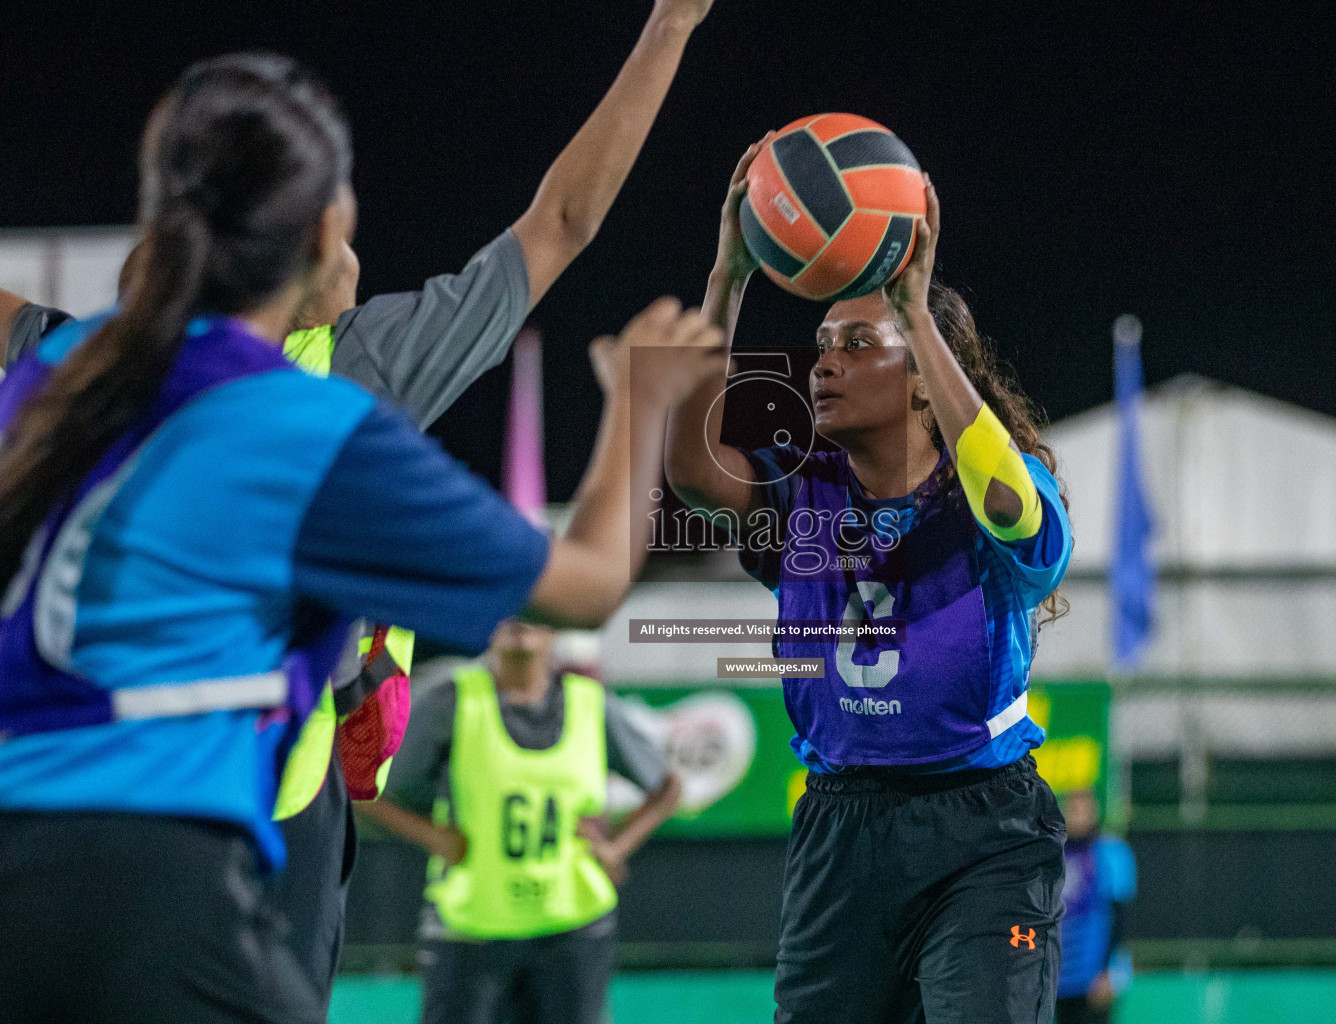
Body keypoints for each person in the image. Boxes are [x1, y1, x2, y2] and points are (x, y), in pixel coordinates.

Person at [0, 0, 721, 998]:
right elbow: (586, 584)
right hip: (183, 853)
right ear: (319, 230)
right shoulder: (326, 412)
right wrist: (644, 401)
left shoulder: (59, 358)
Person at [663, 141, 1074, 1023]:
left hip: (983, 831)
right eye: (821, 343)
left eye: (858, 343)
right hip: (840, 831)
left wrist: (917, 314)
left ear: (926, 383)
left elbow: (1010, 503)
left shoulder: (992, 492)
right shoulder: (799, 485)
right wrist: (729, 277)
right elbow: (693, 469)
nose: (824, 362)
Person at [358, 619, 681, 1024]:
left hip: (572, 925)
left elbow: (668, 787)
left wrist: (615, 846)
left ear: (558, 628)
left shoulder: (589, 703)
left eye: (537, 611)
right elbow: (368, 790)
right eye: (513, 606)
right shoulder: (451, 702)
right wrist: (433, 836)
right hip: (472, 927)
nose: (521, 620)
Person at [1055, 789, 1136, 1024]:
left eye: (1083, 808)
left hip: (1095, 976)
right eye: (1073, 808)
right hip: (1062, 976)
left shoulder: (1110, 851)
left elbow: (1121, 914)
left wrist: (1112, 971)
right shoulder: (1056, 852)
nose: (1078, 814)